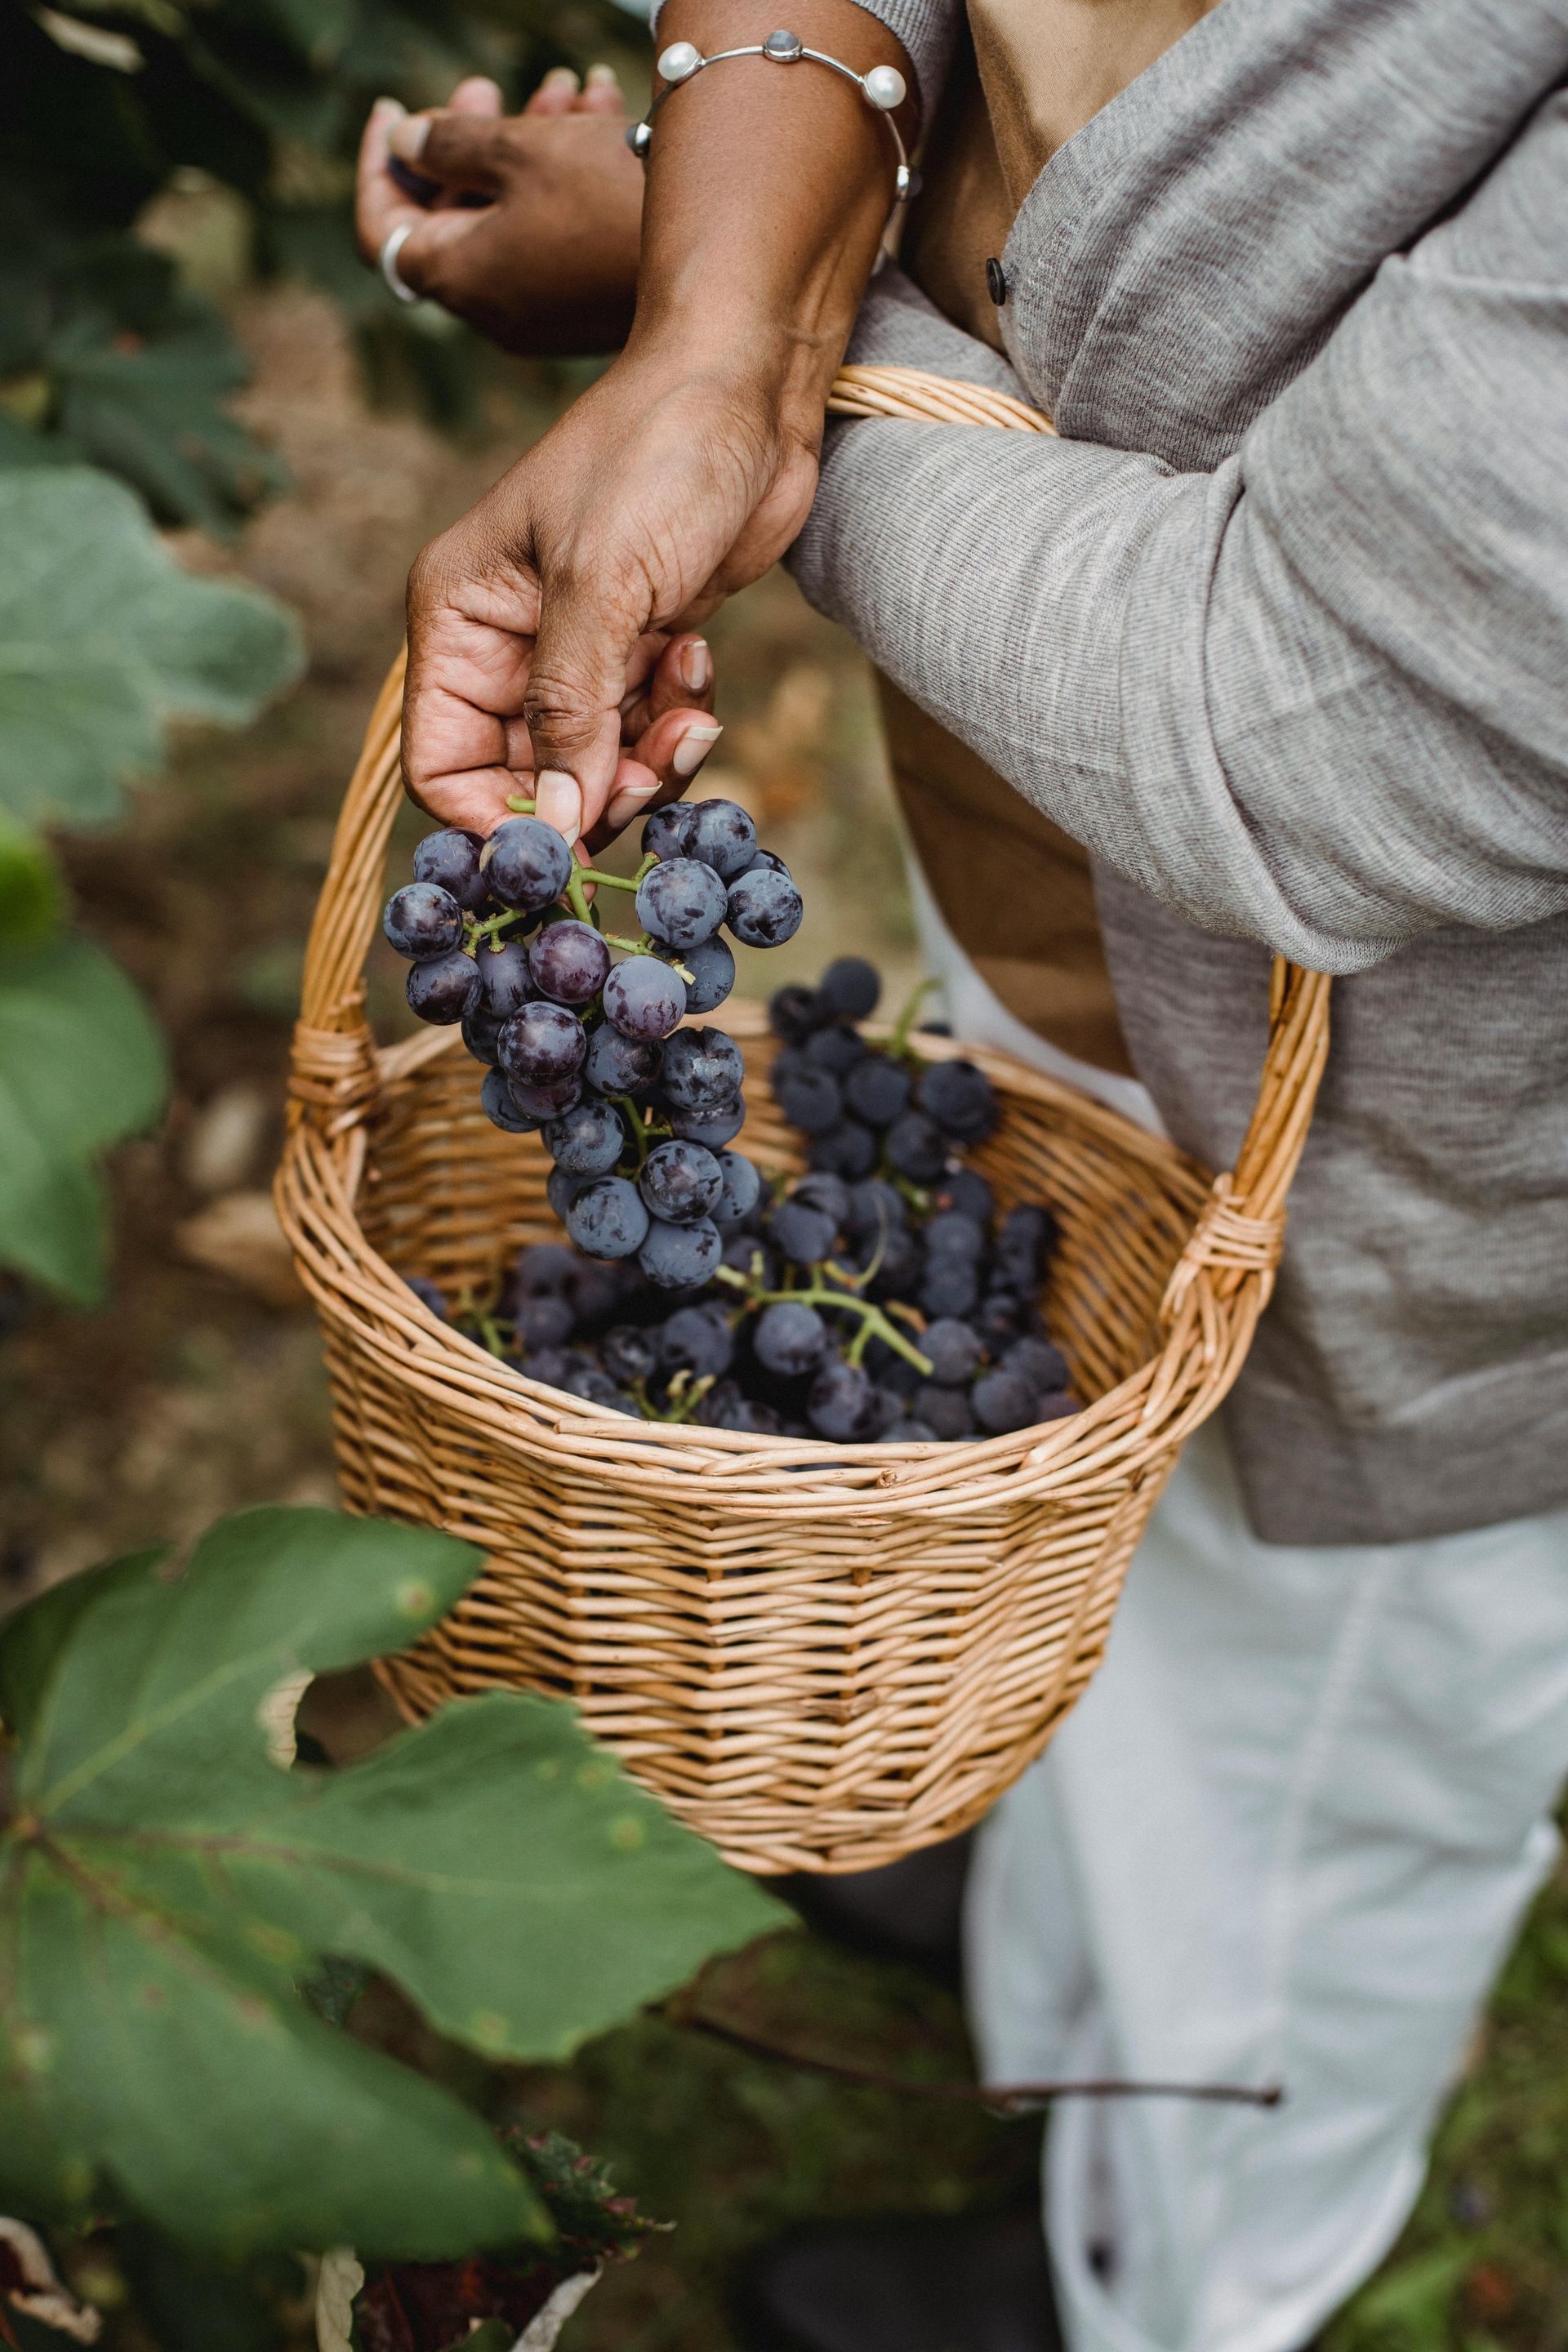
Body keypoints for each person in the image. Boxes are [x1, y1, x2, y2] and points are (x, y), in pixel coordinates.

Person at [355, 8, 1568, 2349]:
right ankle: (1038, 1908)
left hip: (1462, 1189)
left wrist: (760, 367)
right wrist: (729, 280)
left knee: (1317, 1801)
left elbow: (1314, 719)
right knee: (1077, 1543)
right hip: (1070, 903)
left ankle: (1174, 2281)